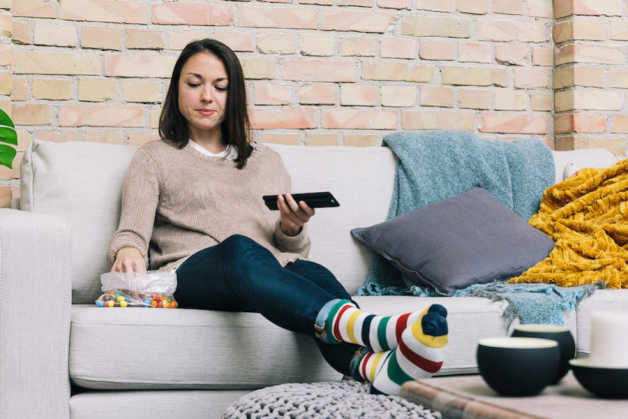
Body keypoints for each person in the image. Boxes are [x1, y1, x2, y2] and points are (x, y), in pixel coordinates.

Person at [108, 38, 449, 396]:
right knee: (238, 248)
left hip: (261, 273)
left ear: (233, 95)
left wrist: (290, 228)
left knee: (312, 272)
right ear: (177, 89)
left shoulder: (265, 161)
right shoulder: (154, 157)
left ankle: (369, 368)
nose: (207, 96)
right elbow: (131, 232)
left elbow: (292, 250)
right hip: (194, 272)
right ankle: (370, 328)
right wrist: (127, 251)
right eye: (195, 84)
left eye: (220, 87)